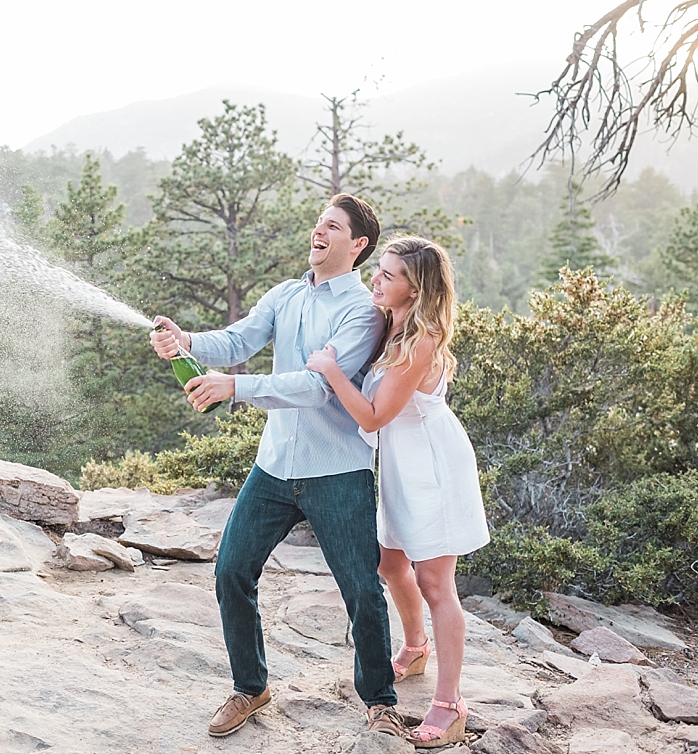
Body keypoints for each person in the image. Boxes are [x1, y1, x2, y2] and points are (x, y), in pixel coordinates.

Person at [150, 193, 404, 739]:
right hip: (273, 468)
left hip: (337, 470)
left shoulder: (363, 313)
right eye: (318, 223)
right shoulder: (286, 294)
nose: (319, 231)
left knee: (361, 588)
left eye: (332, 227)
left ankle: (380, 701)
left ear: (357, 245)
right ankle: (251, 687)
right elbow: (239, 338)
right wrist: (185, 341)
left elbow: (317, 388)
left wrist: (235, 388)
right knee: (231, 571)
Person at [305, 236, 489, 748]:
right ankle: (416, 644)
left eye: (388, 275)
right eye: (379, 270)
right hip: (401, 466)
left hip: (432, 467)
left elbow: (374, 414)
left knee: (436, 584)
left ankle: (450, 704)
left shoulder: (422, 338)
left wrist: (330, 371)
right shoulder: (391, 319)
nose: (376, 280)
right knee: (390, 564)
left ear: (416, 288)